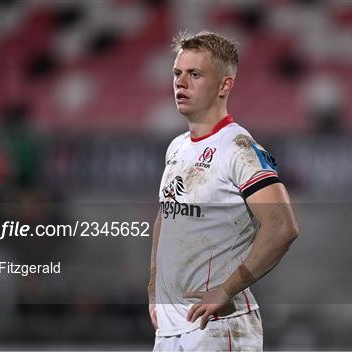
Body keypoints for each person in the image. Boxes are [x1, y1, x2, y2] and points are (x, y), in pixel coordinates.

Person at [148, 30, 299, 351]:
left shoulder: (238, 148)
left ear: (224, 85)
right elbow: (167, 214)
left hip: (218, 329)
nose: (180, 83)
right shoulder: (177, 147)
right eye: (177, 73)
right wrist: (153, 287)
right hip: (172, 330)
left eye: (194, 74)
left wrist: (225, 290)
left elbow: (282, 227)